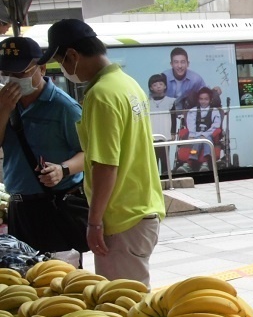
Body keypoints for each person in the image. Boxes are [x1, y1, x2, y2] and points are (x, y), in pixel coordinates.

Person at [39, 19, 165, 285]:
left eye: (61, 62)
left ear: (73, 55)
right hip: (142, 208)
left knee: (122, 305)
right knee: (131, 298)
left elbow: (106, 165)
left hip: (121, 217)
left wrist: (94, 222)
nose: (63, 69)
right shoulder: (127, 83)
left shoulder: (101, 94)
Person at [0, 36, 87, 255]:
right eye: (8, 74)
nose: (13, 80)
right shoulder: (5, 103)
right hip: (19, 206)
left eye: (20, 73)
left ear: (42, 69)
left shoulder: (64, 107)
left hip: (55, 206)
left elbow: (90, 152)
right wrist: (3, 110)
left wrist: (62, 169)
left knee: (58, 277)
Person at [179, 88, 222, 171]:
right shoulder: (193, 110)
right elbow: (191, 125)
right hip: (195, 134)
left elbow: (216, 125)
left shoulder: (215, 111)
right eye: (201, 99)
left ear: (210, 100)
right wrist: (193, 135)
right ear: (198, 100)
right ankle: (190, 163)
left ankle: (200, 161)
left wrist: (204, 135)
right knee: (198, 140)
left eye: (206, 99)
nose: (203, 101)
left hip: (209, 135)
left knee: (206, 141)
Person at [145, 73, 175, 174]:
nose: (158, 86)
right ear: (150, 88)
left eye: (160, 84)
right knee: (153, 159)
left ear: (165, 86)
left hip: (165, 134)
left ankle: (167, 178)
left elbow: (173, 117)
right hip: (152, 135)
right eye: (155, 85)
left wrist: (173, 132)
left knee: (165, 158)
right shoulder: (147, 102)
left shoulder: (170, 101)